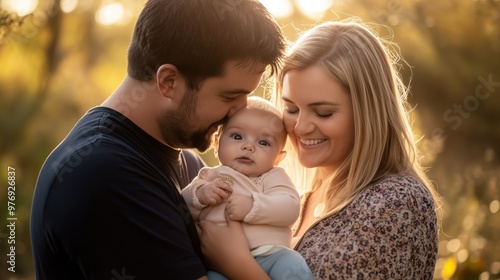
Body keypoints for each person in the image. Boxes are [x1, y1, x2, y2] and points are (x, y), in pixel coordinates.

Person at [29, 0, 286, 279]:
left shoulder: (187, 164)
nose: (240, 110)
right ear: (169, 81)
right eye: (228, 96)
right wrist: (238, 263)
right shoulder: (104, 175)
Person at [203, 20, 442, 279]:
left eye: (323, 112)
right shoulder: (302, 195)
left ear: (367, 114)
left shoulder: (396, 201)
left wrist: (237, 265)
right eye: (291, 109)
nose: (300, 127)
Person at [181, 96, 313, 280]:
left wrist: (253, 206)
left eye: (263, 142)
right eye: (237, 136)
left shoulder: (272, 176)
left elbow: (290, 207)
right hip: (218, 265)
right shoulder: (209, 176)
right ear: (217, 144)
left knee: (293, 264)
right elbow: (180, 208)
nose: (248, 146)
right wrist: (200, 195)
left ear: (277, 158)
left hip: (272, 254)